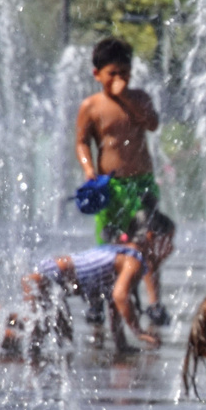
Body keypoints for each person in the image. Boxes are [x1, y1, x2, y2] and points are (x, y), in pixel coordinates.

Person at [0, 208, 175, 358]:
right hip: (46, 281)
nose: (172, 249)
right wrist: (138, 331)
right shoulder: (134, 261)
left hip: (46, 279)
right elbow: (120, 296)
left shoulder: (123, 253)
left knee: (62, 339)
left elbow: (113, 305)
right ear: (150, 238)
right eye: (169, 242)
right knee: (34, 341)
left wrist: (122, 343)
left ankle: (2, 316)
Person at [75, 36, 167, 319]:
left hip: (141, 184)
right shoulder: (91, 106)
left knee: (147, 240)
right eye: (112, 74)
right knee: (108, 242)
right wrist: (89, 169)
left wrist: (126, 96)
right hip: (110, 186)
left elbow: (152, 124)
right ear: (97, 74)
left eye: (124, 74)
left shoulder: (139, 99)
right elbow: (81, 142)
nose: (119, 79)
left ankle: (154, 303)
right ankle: (98, 299)